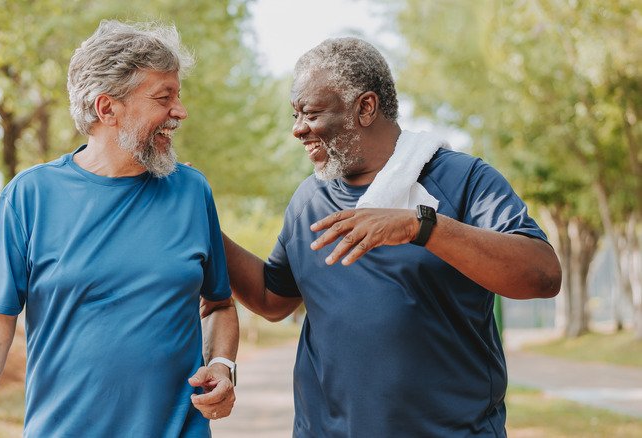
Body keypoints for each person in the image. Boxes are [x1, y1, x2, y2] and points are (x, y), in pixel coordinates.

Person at [214, 38, 562, 437]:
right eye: (295, 114)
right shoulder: (308, 200)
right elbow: (272, 300)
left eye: (310, 113)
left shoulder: (461, 179)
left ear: (365, 107)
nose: (297, 129)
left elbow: (543, 275)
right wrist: (202, 219)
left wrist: (421, 226)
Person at [0, 21, 238, 438]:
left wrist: (223, 366)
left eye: (178, 96)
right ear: (107, 109)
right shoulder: (30, 196)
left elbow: (220, 305)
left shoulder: (191, 190)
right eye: (163, 97)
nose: (180, 111)